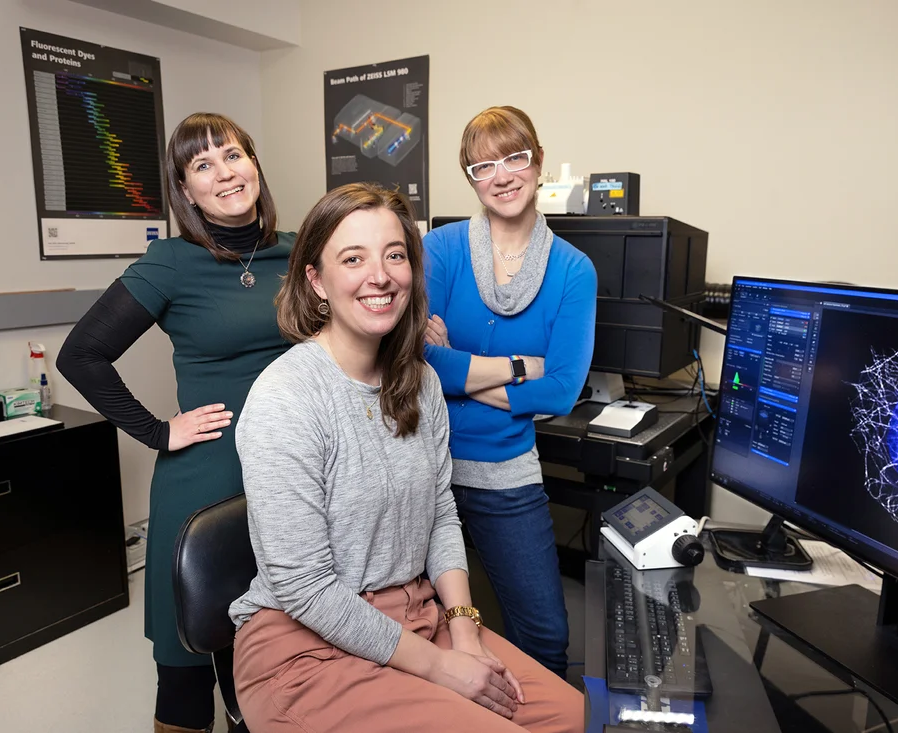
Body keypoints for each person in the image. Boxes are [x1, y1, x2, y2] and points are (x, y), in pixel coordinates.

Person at [229, 182, 583, 732]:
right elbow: (305, 588)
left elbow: (440, 511)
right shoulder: (287, 397)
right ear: (316, 280)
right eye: (353, 259)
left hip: (418, 619)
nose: (381, 275)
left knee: (577, 717)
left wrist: (464, 630)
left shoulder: (418, 383)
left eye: (395, 255)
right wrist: (444, 668)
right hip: (305, 646)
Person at [56, 112, 293, 733]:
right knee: (189, 662)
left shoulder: (299, 252)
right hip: (208, 479)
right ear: (186, 191)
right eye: (203, 165)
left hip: (293, 474)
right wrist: (160, 431)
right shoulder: (171, 264)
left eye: (234, 155)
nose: (225, 173)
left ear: (255, 165)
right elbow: (81, 354)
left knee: (276, 650)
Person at [421, 106, 597, 679]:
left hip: (505, 470)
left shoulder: (574, 270)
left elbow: (564, 391)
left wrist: (459, 370)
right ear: (470, 179)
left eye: (514, 157)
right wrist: (521, 366)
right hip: (422, 467)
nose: (501, 175)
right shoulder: (441, 249)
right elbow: (418, 362)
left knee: (545, 638)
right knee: (419, 632)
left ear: (538, 162)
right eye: (482, 165)